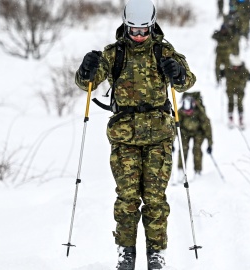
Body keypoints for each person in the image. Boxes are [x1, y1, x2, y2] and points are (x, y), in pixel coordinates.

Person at [74, 0, 196, 269]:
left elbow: (187, 81)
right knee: (127, 198)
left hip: (158, 135)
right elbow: (87, 83)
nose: (138, 37)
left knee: (154, 199)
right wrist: (86, 69)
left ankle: (156, 253)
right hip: (124, 136)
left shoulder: (164, 52)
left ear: (152, 27)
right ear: (125, 26)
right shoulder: (114, 54)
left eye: (143, 32)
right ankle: (126, 252)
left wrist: (177, 72)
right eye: (133, 31)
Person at [176, 92, 213, 177]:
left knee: (197, 149)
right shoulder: (180, 113)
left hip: (198, 132)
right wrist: (171, 142)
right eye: (186, 111)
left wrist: (210, 144)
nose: (188, 113)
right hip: (185, 132)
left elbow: (207, 128)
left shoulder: (200, 113)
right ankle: (181, 171)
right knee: (183, 149)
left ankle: (197, 171)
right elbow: (175, 127)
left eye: (190, 111)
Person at [220, 54, 250, 129]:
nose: (235, 68)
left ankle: (241, 119)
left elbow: (248, 75)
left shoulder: (243, 70)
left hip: (240, 89)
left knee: (239, 103)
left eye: (236, 66)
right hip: (230, 89)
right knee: (230, 102)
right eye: (234, 66)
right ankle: (230, 118)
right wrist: (221, 73)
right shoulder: (228, 69)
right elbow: (223, 73)